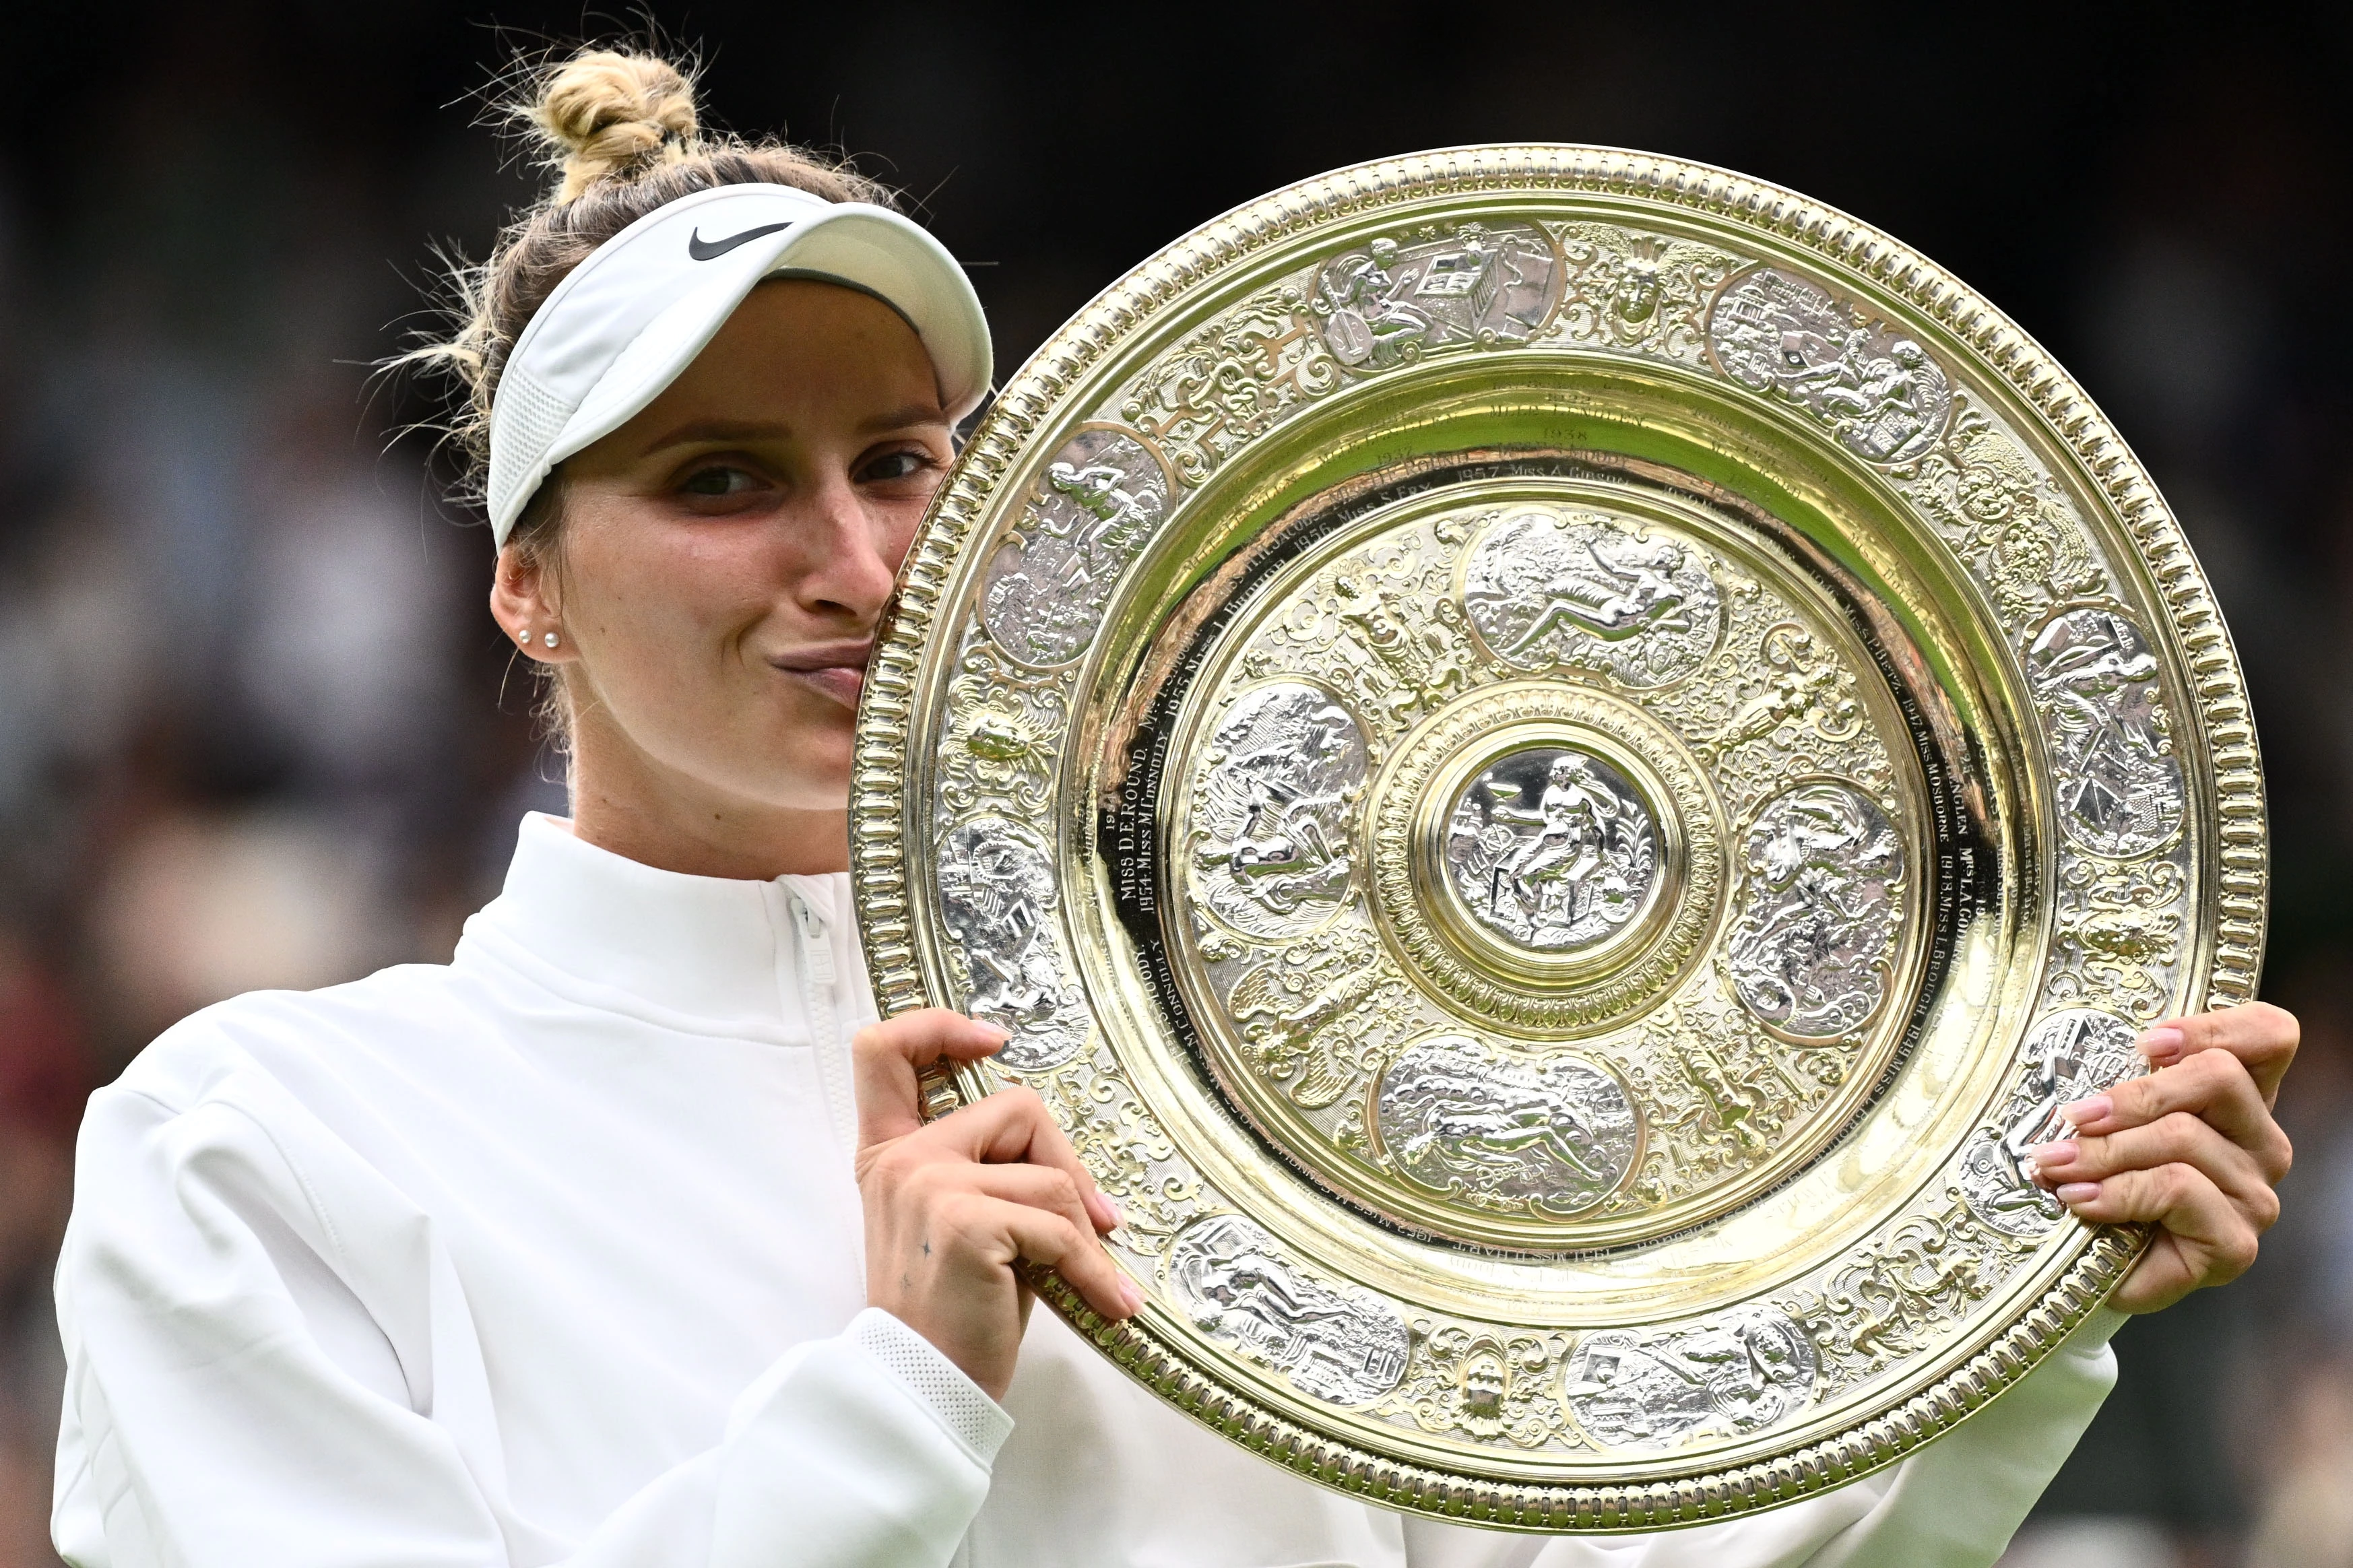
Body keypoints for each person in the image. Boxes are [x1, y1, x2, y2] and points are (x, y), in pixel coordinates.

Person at [49, 46, 2300, 1568]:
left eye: (903, 463)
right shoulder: (263, 1141)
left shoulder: (1231, 1080)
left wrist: (2014, 1314)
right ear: (523, 589)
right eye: (719, 482)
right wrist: (902, 1393)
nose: (849, 564)